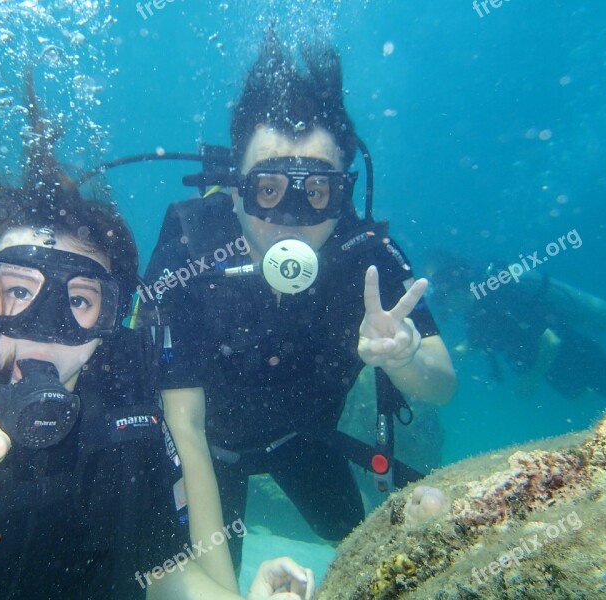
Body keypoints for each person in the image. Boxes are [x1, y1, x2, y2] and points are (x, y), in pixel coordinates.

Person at [0, 105, 314, 599]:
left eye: (78, 300)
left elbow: (161, 571)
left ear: (108, 322)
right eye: (17, 292)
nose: (46, 330)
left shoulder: (120, 400)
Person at [141, 32, 457, 571]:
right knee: (208, 569)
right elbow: (183, 424)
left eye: (315, 192)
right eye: (268, 189)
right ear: (235, 186)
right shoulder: (191, 244)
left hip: (305, 438)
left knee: (361, 553)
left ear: (344, 192)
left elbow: (442, 385)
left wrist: (403, 356)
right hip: (207, 452)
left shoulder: (367, 259)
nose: (289, 217)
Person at [430, 252, 606, 401]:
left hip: (574, 354)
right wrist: (435, 362)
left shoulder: (500, 301)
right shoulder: (475, 311)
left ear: (458, 291)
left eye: (442, 299)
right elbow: (472, 344)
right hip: (549, 366)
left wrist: (532, 380)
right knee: (587, 398)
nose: (443, 308)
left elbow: (551, 341)